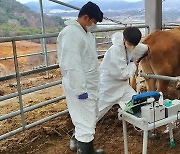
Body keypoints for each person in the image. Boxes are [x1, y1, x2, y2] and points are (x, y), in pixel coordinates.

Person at [57, 2, 104, 154]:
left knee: (87, 119)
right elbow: (71, 64)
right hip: (80, 88)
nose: (94, 26)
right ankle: (85, 150)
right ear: (86, 17)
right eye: (94, 22)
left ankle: (77, 145)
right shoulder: (71, 34)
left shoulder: (85, 33)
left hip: (89, 85)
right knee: (86, 123)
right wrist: (80, 90)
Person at [97, 27, 148, 122]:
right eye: (130, 44)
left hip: (123, 87)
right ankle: (79, 136)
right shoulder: (115, 50)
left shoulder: (129, 44)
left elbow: (143, 48)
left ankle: (144, 128)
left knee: (137, 105)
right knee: (96, 114)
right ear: (124, 39)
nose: (132, 47)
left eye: (134, 45)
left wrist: (148, 49)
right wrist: (133, 65)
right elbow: (123, 74)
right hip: (108, 87)